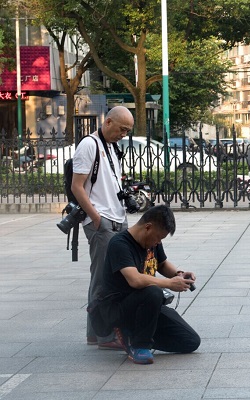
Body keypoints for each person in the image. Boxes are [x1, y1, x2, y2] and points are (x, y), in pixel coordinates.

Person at [94, 205, 200, 365]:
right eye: (158, 238)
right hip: (119, 307)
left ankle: (139, 333)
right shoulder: (119, 244)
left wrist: (179, 274)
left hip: (147, 304)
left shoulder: (152, 242)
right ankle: (138, 345)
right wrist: (169, 284)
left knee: (190, 341)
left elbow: (162, 264)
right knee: (154, 292)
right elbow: (135, 280)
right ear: (148, 227)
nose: (158, 242)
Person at [71, 105, 134, 349]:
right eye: (122, 129)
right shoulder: (89, 145)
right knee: (101, 278)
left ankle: (103, 331)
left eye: (128, 131)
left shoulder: (111, 146)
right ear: (108, 122)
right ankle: (100, 334)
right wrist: (96, 218)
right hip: (102, 221)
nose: (124, 134)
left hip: (117, 217)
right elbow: (78, 186)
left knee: (118, 276)